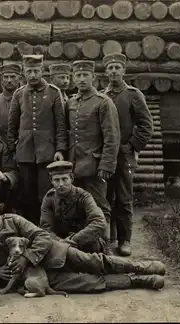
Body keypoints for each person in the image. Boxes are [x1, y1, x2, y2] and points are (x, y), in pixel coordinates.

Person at [0, 192, 166, 294]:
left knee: (96, 262)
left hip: (54, 253)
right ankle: (140, 281)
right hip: (36, 276)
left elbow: (43, 236)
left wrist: (27, 257)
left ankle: (143, 267)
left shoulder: (13, 220)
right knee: (90, 284)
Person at [61, 60, 120, 253]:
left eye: (85, 75)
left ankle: (105, 246)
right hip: (74, 165)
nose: (81, 79)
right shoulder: (70, 102)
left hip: (95, 165)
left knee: (99, 207)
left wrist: (107, 165)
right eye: (77, 75)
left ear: (93, 77)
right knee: (77, 206)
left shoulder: (103, 102)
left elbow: (112, 136)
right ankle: (82, 246)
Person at [102, 53, 154, 256]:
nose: (114, 71)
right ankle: (108, 238)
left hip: (124, 154)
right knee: (104, 196)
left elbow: (146, 125)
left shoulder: (133, 95)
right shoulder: (101, 95)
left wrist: (131, 146)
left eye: (117, 67)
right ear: (106, 71)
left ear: (124, 70)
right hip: (105, 154)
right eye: (110, 67)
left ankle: (125, 240)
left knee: (123, 197)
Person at [7, 54, 65, 225]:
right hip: (25, 153)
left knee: (46, 194)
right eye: (29, 71)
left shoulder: (54, 93)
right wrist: (13, 150)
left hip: (47, 153)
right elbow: (12, 125)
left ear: (42, 71)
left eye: (36, 71)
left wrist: (60, 149)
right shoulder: (18, 95)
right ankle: (29, 230)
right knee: (26, 194)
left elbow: (60, 125)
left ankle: (47, 229)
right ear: (24, 73)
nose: (32, 75)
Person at [40, 161, 106, 253]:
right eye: (56, 180)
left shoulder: (84, 197)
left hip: (82, 242)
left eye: (64, 179)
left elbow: (99, 222)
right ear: (51, 180)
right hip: (59, 243)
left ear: (72, 178)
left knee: (93, 245)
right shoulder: (49, 198)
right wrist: (60, 242)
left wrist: (72, 241)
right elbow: (46, 228)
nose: (61, 184)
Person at [0, 62, 22, 143]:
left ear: (19, 79)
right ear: (1, 80)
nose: (9, 80)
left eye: (13, 77)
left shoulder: (25, 100)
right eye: (6, 77)